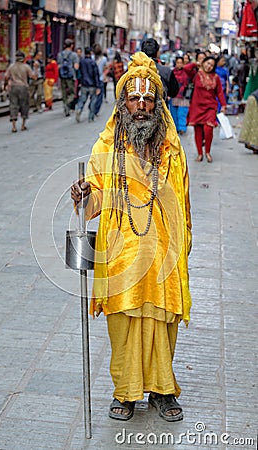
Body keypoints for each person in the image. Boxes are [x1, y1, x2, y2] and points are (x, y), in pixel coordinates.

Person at [71, 52, 192, 422]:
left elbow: (183, 202)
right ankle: (125, 392)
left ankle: (161, 390)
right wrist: (84, 194)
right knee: (123, 322)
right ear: (122, 104)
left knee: (161, 320)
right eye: (134, 99)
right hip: (122, 252)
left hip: (162, 256)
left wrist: (183, 245)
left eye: (148, 99)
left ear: (157, 104)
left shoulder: (172, 150)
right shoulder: (104, 148)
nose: (141, 107)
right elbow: (95, 192)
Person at [184, 55, 227, 163]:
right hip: (197, 106)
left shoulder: (216, 77)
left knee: (208, 129)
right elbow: (186, 68)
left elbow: (220, 92)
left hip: (210, 107)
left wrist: (223, 105)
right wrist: (195, 64)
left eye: (212, 65)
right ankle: (199, 154)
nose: (209, 66)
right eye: (208, 63)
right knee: (198, 130)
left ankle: (207, 152)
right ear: (203, 63)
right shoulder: (196, 74)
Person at [4, 50, 36, 133]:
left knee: (13, 105)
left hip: (13, 87)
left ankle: (14, 126)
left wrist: (5, 85)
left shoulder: (11, 66)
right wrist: (36, 68)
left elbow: (6, 77)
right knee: (24, 105)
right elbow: (33, 77)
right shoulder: (26, 67)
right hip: (23, 87)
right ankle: (23, 125)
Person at [141, 38, 179, 103]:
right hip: (159, 110)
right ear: (157, 52)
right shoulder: (166, 71)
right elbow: (174, 92)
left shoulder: (132, 70)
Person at [75, 47, 101, 123]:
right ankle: (90, 117)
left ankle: (79, 109)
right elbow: (96, 75)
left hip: (84, 84)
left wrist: (80, 81)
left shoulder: (81, 62)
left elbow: (79, 73)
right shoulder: (93, 63)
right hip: (92, 85)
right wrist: (98, 86)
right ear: (91, 53)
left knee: (82, 100)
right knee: (93, 101)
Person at [169, 56, 191, 135]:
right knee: (173, 113)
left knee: (182, 113)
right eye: (178, 63)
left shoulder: (187, 72)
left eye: (181, 63)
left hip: (183, 96)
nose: (179, 64)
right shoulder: (172, 72)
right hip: (174, 95)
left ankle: (182, 128)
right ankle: (175, 128)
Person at [57, 39, 79, 116]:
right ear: (72, 45)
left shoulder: (60, 54)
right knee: (72, 93)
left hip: (62, 76)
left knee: (64, 92)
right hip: (71, 76)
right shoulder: (74, 55)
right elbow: (76, 67)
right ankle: (67, 103)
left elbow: (58, 66)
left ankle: (65, 104)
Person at [238, 89, 258, 154]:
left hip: (252, 98)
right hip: (255, 100)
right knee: (255, 123)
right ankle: (254, 145)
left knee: (250, 122)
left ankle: (251, 144)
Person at [93, 43, 108, 116]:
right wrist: (105, 76)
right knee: (99, 97)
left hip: (92, 79)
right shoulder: (104, 59)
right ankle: (95, 110)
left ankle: (91, 107)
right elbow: (105, 69)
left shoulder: (92, 58)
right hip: (100, 79)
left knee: (93, 95)